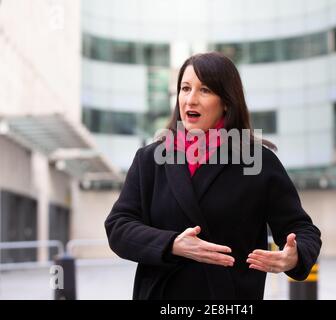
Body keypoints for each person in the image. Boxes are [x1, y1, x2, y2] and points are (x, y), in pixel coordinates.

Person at [105, 52, 322, 300]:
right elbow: (118, 227)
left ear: (227, 101)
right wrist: (172, 243)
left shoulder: (257, 162)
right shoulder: (151, 159)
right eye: (185, 89)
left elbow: (303, 230)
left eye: (205, 90)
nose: (191, 99)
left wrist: (294, 256)